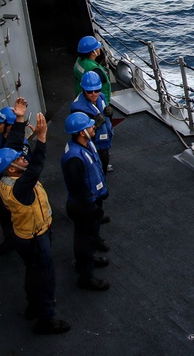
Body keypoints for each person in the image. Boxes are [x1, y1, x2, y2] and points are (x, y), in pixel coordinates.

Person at [0, 112, 70, 335]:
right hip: (36, 238)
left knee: (33, 273)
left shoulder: (5, 180)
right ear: (12, 169)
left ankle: (32, 305)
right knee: (45, 277)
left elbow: (16, 147)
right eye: (19, 159)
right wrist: (43, 139)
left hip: (23, 236)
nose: (23, 158)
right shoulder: (20, 187)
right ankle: (46, 318)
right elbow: (35, 167)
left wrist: (18, 121)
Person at [61, 112, 110, 291]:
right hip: (83, 206)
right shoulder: (74, 158)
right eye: (90, 127)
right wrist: (93, 209)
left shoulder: (84, 143)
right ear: (82, 132)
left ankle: (87, 261)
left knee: (88, 237)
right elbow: (79, 189)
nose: (93, 128)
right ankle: (85, 277)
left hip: (91, 201)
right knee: (84, 239)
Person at [0, 99, 31, 255]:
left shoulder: (21, 146)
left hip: (15, 187)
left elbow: (27, 167)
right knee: (4, 215)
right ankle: (8, 240)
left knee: (21, 215)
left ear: (9, 126)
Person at [71, 72, 114, 174]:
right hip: (92, 144)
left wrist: (110, 114)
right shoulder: (77, 107)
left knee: (104, 161)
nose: (94, 94)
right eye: (90, 91)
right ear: (84, 90)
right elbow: (76, 133)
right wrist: (95, 126)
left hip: (104, 141)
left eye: (97, 90)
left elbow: (107, 118)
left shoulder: (101, 97)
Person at [73, 35, 111, 107]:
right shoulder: (95, 70)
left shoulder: (79, 60)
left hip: (80, 96)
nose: (99, 48)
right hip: (96, 102)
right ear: (93, 52)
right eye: (97, 48)